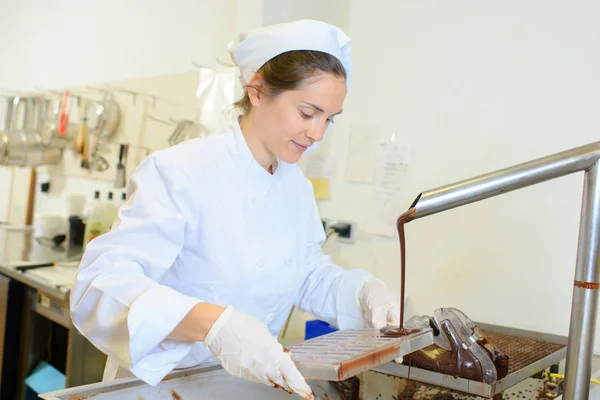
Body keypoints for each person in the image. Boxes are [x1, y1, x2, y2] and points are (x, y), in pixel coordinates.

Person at [70, 20, 400, 399]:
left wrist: (362, 290)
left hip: (245, 389)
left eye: (329, 119)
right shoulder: (181, 171)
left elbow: (305, 273)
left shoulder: (295, 187)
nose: (318, 133)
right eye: (308, 113)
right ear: (257, 90)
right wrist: (214, 325)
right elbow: (101, 284)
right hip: (162, 389)